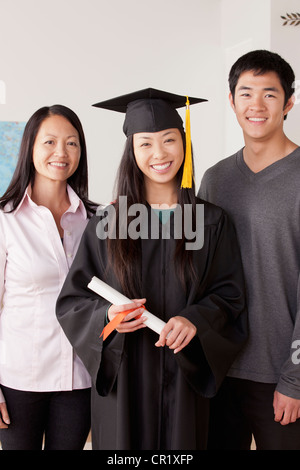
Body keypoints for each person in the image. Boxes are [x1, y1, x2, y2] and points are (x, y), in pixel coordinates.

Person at [56, 88, 248, 450]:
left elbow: (230, 295)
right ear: (132, 151)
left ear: (184, 144)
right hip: (125, 381)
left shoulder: (210, 222)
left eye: (169, 140)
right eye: (145, 144)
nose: (159, 154)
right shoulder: (108, 223)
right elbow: (73, 301)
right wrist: (108, 316)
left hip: (185, 378)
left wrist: (195, 319)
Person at [199, 49, 300, 450]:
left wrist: (295, 378)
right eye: (246, 93)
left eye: (269, 94)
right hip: (218, 369)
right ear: (231, 101)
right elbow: (193, 266)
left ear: (288, 102)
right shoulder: (216, 179)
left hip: (281, 375)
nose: (256, 105)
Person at [0, 104, 97, 450]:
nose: (61, 152)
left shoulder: (96, 221)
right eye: (50, 142)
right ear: (30, 148)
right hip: (18, 381)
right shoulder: (5, 220)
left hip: (79, 380)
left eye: (72, 143)